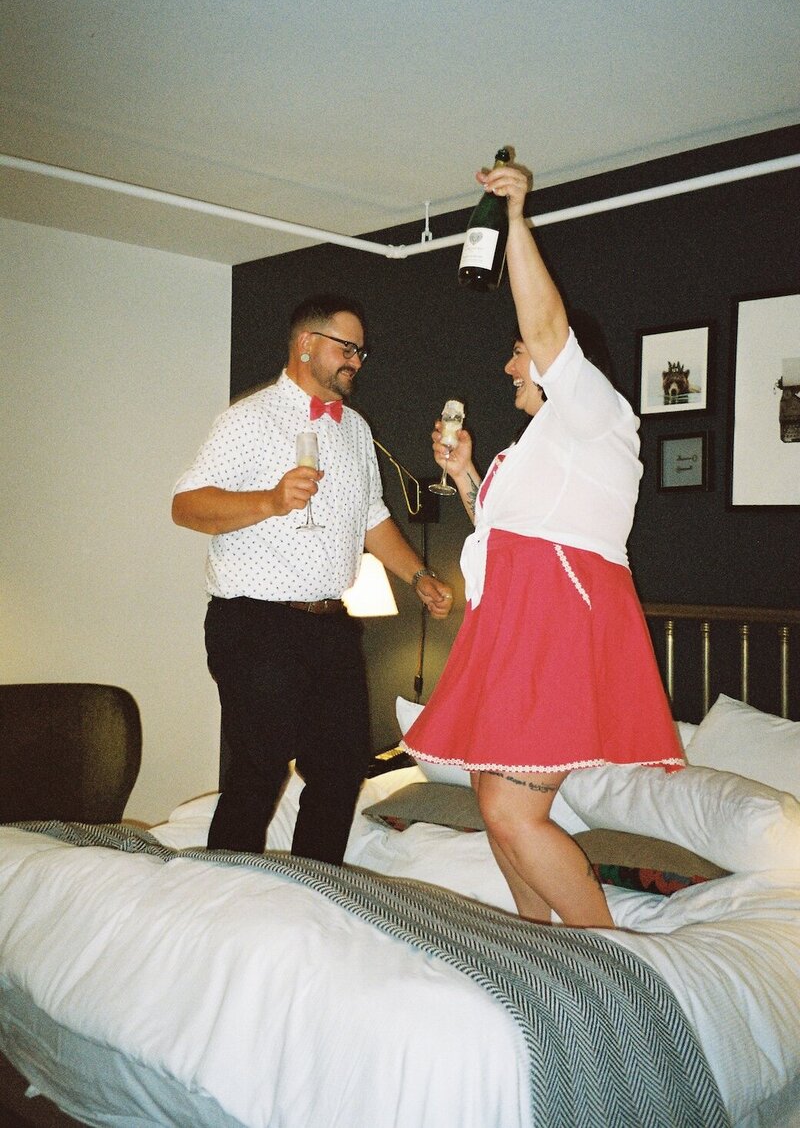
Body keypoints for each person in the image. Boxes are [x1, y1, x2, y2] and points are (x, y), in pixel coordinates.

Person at [403, 162, 684, 928]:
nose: (509, 366)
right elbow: (503, 536)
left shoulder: (597, 411)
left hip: (560, 614)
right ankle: (540, 946)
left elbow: (548, 327)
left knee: (512, 811)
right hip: (519, 617)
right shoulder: (541, 448)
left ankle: (605, 952)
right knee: (498, 804)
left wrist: (516, 220)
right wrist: (464, 476)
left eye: (517, 354)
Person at [172, 294, 453, 865]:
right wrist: (270, 500)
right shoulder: (248, 420)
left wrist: (417, 574)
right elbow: (186, 505)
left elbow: (372, 516)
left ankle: (310, 888)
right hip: (256, 621)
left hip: (330, 624)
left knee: (342, 767)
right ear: (305, 344)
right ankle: (221, 894)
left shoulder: (355, 429)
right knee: (259, 768)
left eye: (360, 351)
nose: (356, 360)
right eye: (345, 348)